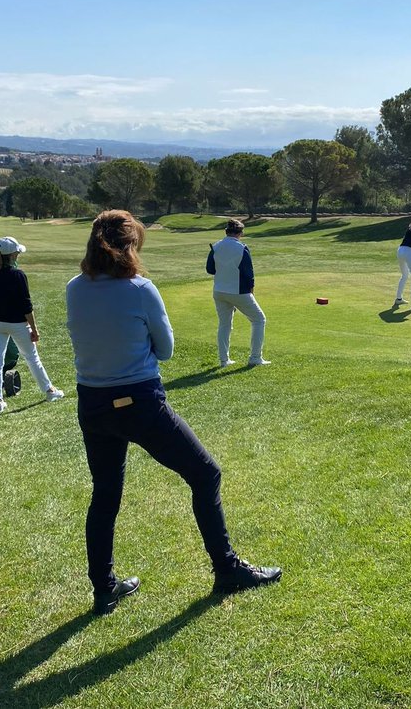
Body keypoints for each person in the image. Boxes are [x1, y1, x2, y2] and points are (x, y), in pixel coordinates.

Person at [65, 210, 282, 615]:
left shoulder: (75, 288)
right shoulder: (140, 289)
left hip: (92, 404)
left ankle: (103, 589)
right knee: (206, 474)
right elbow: (164, 350)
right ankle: (227, 569)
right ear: (132, 245)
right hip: (139, 401)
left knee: (106, 494)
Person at [0, 236, 64, 413]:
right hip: (17, 323)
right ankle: (49, 391)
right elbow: (26, 306)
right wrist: (34, 329)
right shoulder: (18, 275)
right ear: (13, 255)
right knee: (32, 358)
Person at [206, 218, 269, 368]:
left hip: (219, 291)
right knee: (259, 319)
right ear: (240, 233)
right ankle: (255, 357)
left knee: (224, 325)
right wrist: (251, 291)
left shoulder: (216, 246)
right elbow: (248, 274)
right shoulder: (242, 248)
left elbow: (210, 269)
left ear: (226, 232)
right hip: (238, 291)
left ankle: (223, 360)